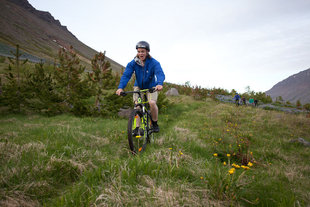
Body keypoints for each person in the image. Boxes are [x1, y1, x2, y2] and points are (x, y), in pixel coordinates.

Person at [116, 41, 165, 133]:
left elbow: (159, 73)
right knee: (137, 106)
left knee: (152, 103)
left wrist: (159, 83)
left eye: (142, 51)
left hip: (152, 87)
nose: (140, 53)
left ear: (147, 52)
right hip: (138, 87)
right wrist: (120, 87)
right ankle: (137, 127)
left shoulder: (154, 63)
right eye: (139, 51)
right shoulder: (133, 63)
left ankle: (154, 123)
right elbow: (126, 75)